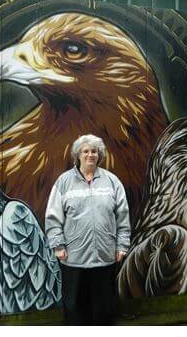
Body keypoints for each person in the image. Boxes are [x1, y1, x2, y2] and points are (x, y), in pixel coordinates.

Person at [45, 134, 131, 325]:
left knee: (104, 308)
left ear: (99, 155)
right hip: (73, 258)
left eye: (94, 151)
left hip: (105, 256)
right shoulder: (64, 182)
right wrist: (58, 245)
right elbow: (53, 216)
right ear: (78, 155)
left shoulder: (112, 181)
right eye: (85, 151)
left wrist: (122, 245)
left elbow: (123, 217)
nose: (90, 155)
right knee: (76, 308)